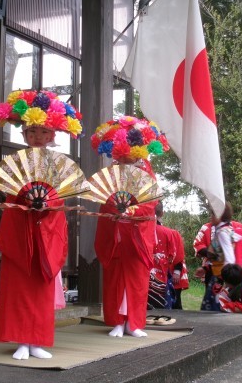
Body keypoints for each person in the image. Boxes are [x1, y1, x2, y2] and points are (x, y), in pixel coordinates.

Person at [0, 89, 83, 360]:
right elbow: (11, 193)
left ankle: (37, 340)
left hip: (47, 230)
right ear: (24, 135)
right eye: (32, 132)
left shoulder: (57, 164)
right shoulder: (16, 163)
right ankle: (21, 339)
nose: (38, 137)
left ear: (52, 135)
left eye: (44, 132)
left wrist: (46, 204)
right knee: (19, 286)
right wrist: (25, 199)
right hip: (20, 229)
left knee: (41, 288)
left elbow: (59, 195)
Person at [91, 116, 169, 337]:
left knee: (137, 277)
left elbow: (150, 201)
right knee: (115, 277)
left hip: (137, 233)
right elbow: (105, 197)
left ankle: (134, 323)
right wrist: (115, 208)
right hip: (116, 231)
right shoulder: (112, 173)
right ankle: (117, 321)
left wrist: (133, 211)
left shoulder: (146, 172)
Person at [194, 202, 242, 311]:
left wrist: (226, 280)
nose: (210, 217)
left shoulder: (223, 232)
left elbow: (229, 258)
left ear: (220, 216)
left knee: (215, 309)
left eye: (213, 214)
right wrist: (206, 268)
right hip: (219, 276)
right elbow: (219, 257)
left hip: (221, 279)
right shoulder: (225, 230)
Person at [148, 201, 177, 310]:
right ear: (162, 213)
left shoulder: (144, 230)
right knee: (160, 308)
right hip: (161, 275)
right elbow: (172, 256)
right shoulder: (169, 233)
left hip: (145, 274)